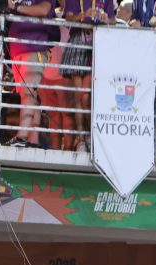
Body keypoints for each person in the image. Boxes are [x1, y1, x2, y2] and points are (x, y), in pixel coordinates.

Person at [61, 0, 116, 152]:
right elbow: (68, 18)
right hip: (79, 41)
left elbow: (114, 20)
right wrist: (83, 15)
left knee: (88, 96)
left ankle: (91, 135)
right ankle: (81, 138)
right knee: (80, 95)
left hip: (98, 42)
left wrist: (106, 19)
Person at [5, 0, 57, 148]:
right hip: (16, 49)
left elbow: (44, 9)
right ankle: (32, 139)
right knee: (28, 95)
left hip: (35, 46)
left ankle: (21, 137)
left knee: (28, 93)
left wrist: (15, 7)